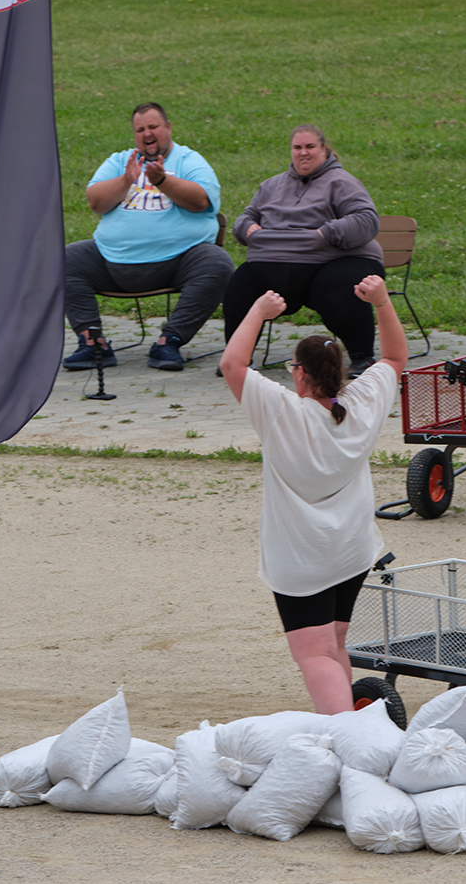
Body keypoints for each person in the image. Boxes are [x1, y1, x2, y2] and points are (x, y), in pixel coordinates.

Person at [218, 275, 408, 713]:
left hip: (302, 557)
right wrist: (381, 302)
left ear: (299, 373)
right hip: (353, 549)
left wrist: (258, 313)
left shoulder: (281, 411)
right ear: (340, 374)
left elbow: (233, 365)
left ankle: (345, 734)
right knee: (334, 642)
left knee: (314, 652)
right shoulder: (361, 404)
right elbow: (395, 356)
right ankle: (356, 727)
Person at [62, 102, 233, 372]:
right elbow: (95, 202)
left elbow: (201, 201)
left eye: (153, 127)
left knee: (217, 264)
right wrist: (126, 180)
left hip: (177, 263)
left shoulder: (189, 160)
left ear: (167, 128)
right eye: (139, 129)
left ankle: (169, 341)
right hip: (112, 261)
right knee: (65, 259)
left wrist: (163, 181)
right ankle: (93, 343)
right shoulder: (121, 161)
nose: (146, 133)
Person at [222, 125, 385, 378]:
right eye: (297, 147)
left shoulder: (342, 183)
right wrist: (248, 229)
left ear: (323, 149)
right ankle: (236, 358)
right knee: (241, 283)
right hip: (275, 264)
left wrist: (325, 234)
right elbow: (246, 217)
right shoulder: (271, 185)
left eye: (310, 147)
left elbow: (366, 220)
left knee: (340, 284)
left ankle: (362, 357)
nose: (303, 153)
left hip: (332, 260)